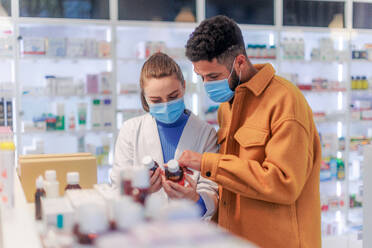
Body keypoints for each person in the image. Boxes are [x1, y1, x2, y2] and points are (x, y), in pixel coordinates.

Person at [178, 15, 321, 248]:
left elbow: (283, 183)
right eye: (201, 77)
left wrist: (208, 163)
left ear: (240, 62)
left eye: (213, 76)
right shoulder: (227, 106)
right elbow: (234, 182)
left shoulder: (285, 101)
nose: (207, 85)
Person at [111, 52, 218, 219]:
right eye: (156, 100)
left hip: (188, 232)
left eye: (173, 96)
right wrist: (141, 192)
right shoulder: (130, 130)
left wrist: (194, 199)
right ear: (145, 99)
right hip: (143, 229)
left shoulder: (205, 133)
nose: (166, 105)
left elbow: (211, 191)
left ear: (183, 86)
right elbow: (117, 187)